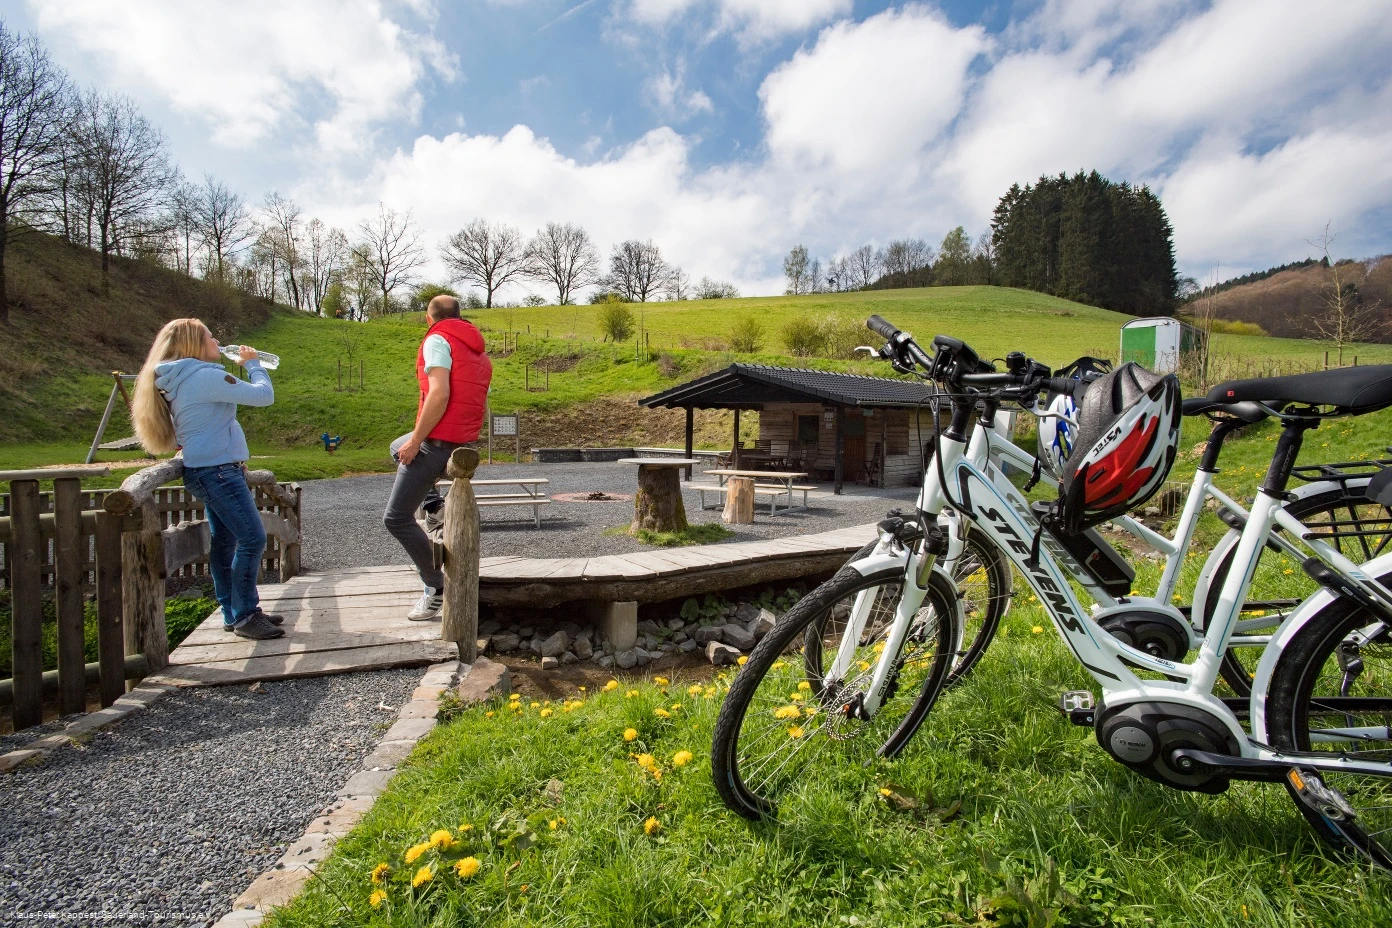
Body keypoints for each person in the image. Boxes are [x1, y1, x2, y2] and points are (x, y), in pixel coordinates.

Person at [132, 318, 284, 640]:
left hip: (210, 468)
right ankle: (245, 615)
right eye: (210, 337)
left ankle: (234, 612)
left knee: (226, 542)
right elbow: (264, 396)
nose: (217, 341)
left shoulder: (177, 378)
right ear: (194, 345)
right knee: (253, 538)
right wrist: (254, 364)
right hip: (217, 471)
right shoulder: (204, 376)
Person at [384, 294, 492, 620]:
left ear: (430, 318)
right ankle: (434, 506)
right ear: (459, 316)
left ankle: (435, 586)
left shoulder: (437, 340)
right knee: (395, 446)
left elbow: (440, 393)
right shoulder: (476, 348)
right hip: (464, 440)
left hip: (438, 443)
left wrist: (417, 441)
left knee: (397, 519)